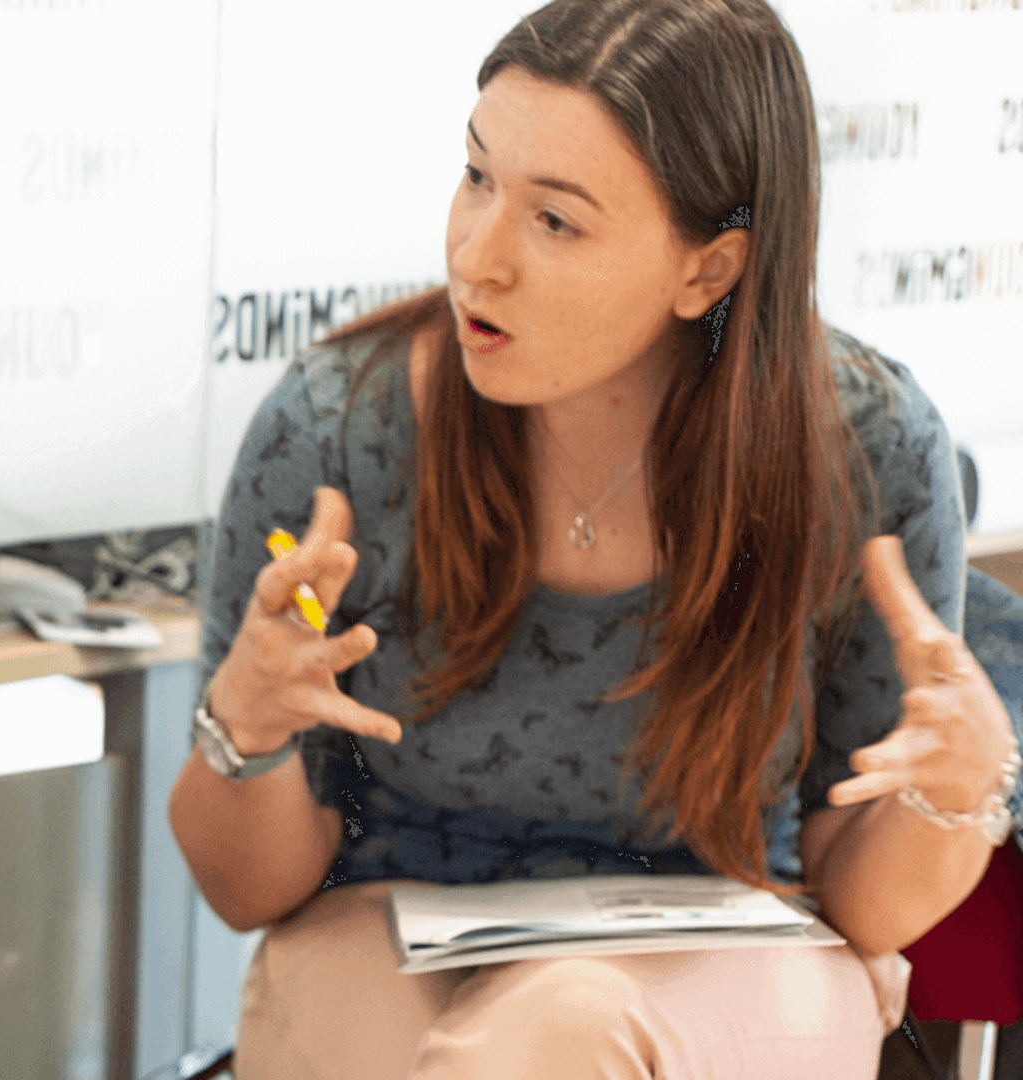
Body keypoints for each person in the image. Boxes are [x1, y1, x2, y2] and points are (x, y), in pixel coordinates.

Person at [169, 1, 1022, 1077]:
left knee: (562, 1031)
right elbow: (250, 891)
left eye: (555, 221)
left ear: (706, 270)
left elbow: (866, 903)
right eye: (477, 177)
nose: (476, 259)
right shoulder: (342, 425)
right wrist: (246, 731)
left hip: (739, 937)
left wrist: (957, 795)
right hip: (387, 927)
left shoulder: (864, 444)